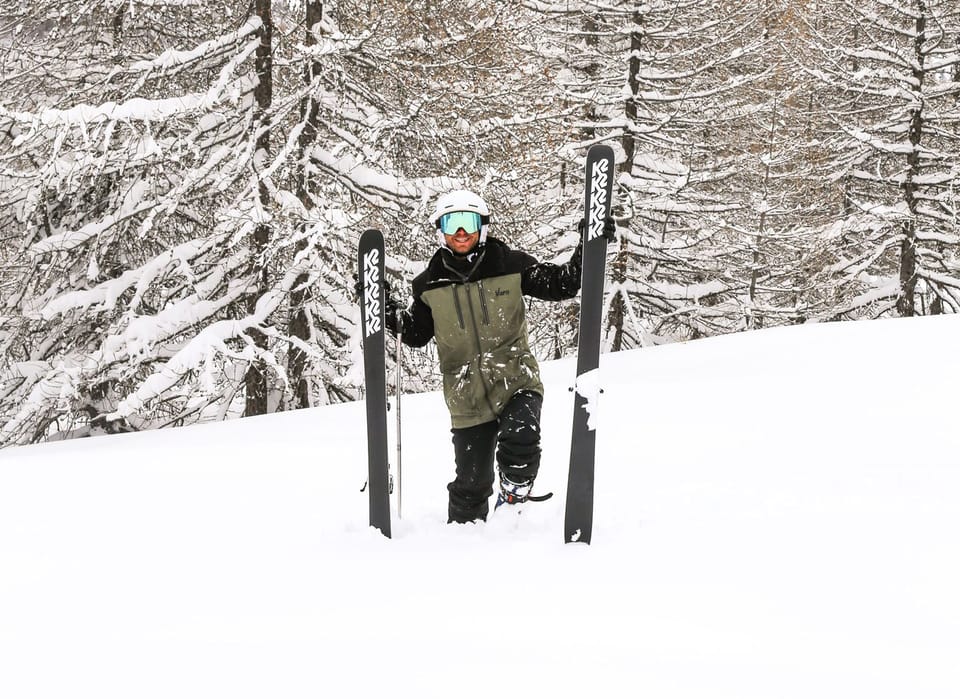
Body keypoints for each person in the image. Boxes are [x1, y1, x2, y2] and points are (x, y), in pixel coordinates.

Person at [384, 189, 616, 524]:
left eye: (468, 223)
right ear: (441, 231)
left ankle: (514, 495)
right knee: (471, 484)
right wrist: (384, 307)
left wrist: (589, 246)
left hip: (515, 379)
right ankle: (464, 540)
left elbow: (562, 283)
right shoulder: (428, 285)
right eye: (452, 224)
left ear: (483, 227)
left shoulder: (511, 265)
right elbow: (416, 333)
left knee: (521, 438)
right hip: (466, 398)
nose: (460, 232)